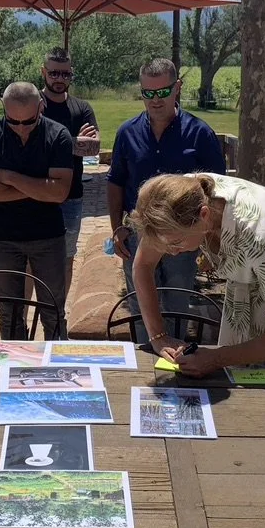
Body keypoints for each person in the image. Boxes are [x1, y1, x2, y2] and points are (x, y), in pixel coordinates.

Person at [129, 172, 265, 378]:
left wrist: (216, 358)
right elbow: (144, 265)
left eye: (176, 243)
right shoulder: (173, 201)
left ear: (204, 215)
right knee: (241, 373)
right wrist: (158, 337)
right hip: (252, 278)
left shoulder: (259, 238)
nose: (171, 253)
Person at [107, 58, 227, 343]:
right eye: (148, 93)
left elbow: (218, 192)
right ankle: (145, 356)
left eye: (162, 91)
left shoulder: (200, 134)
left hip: (183, 232)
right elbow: (115, 182)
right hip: (139, 231)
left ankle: (175, 356)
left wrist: (210, 242)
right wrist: (116, 228)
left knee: (176, 303)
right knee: (139, 303)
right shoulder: (127, 132)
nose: (155, 99)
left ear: (178, 87)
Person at [0, 81, 73, 340]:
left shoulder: (58, 135)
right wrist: (39, 188)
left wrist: (9, 177)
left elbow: (59, 193)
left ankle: (56, 358)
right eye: (12, 121)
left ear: (41, 107)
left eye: (28, 121)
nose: (20, 128)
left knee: (53, 311)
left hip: (48, 236)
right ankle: (15, 360)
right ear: (3, 108)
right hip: (4, 238)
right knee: (9, 313)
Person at [39, 47, 100, 302]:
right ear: (44, 72)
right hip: (35, 194)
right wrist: (74, 142)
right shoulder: (32, 104)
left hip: (71, 197)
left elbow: (93, 148)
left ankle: (57, 313)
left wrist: (49, 144)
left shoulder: (81, 108)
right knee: (32, 260)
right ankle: (23, 318)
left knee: (66, 258)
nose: (59, 79)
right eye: (54, 73)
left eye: (65, 74)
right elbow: (25, 146)